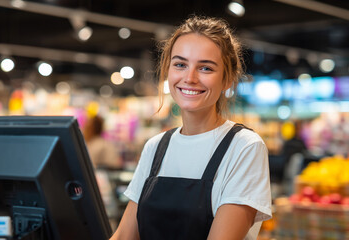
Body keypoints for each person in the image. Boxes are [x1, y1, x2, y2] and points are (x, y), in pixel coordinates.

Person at [110, 16, 272, 240]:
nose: (190, 78)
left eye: (205, 68)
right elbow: (123, 236)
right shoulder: (155, 147)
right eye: (180, 65)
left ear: (227, 79)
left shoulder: (244, 147)